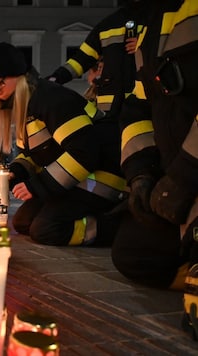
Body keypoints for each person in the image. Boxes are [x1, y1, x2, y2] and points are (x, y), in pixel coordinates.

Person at [108, 0, 198, 339]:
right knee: (133, 252)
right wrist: (141, 173)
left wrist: (185, 174)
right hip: (177, 182)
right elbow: (136, 110)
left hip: (189, 175)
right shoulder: (151, 23)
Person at [0, 42, 126, 247]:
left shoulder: (50, 98)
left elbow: (84, 152)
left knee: (46, 229)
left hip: (101, 178)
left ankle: (114, 226)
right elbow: (31, 154)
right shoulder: (27, 107)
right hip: (74, 180)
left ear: (19, 75)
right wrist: (14, 172)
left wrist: (38, 186)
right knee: (23, 222)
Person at [46, 0, 148, 120]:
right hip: (109, 111)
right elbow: (81, 59)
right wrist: (53, 80)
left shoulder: (156, 19)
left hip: (143, 107)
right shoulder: (108, 24)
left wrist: (146, 45)